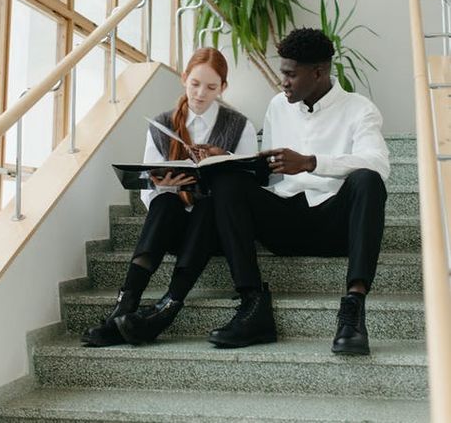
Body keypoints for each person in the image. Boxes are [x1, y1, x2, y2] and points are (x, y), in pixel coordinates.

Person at [208, 28, 389, 354]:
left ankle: (353, 310)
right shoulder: (278, 106)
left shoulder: (360, 109)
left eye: (291, 74)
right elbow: (272, 177)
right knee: (227, 182)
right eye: (283, 73)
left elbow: (377, 163)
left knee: (368, 180)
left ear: (318, 72)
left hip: (334, 226)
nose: (283, 81)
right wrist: (230, 163)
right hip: (286, 222)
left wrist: (310, 162)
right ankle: (253, 305)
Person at [82, 47, 258, 347]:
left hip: (215, 231)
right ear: (184, 79)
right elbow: (148, 193)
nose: (201, 93)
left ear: (223, 88)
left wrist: (222, 161)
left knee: (208, 205)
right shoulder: (163, 125)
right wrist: (166, 186)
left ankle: (169, 305)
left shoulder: (240, 126)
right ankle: (126, 304)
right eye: (195, 84)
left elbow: (248, 189)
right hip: (173, 228)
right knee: (163, 201)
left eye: (211, 87)